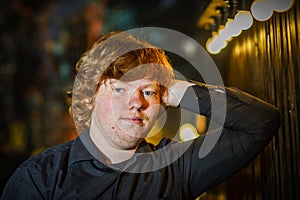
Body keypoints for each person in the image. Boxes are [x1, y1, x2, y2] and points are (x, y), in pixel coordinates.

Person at [1, 31, 280, 199]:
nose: (136, 103)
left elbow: (260, 123)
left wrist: (175, 89)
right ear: (88, 98)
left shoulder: (176, 168)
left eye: (147, 92)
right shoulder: (41, 178)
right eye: (119, 89)